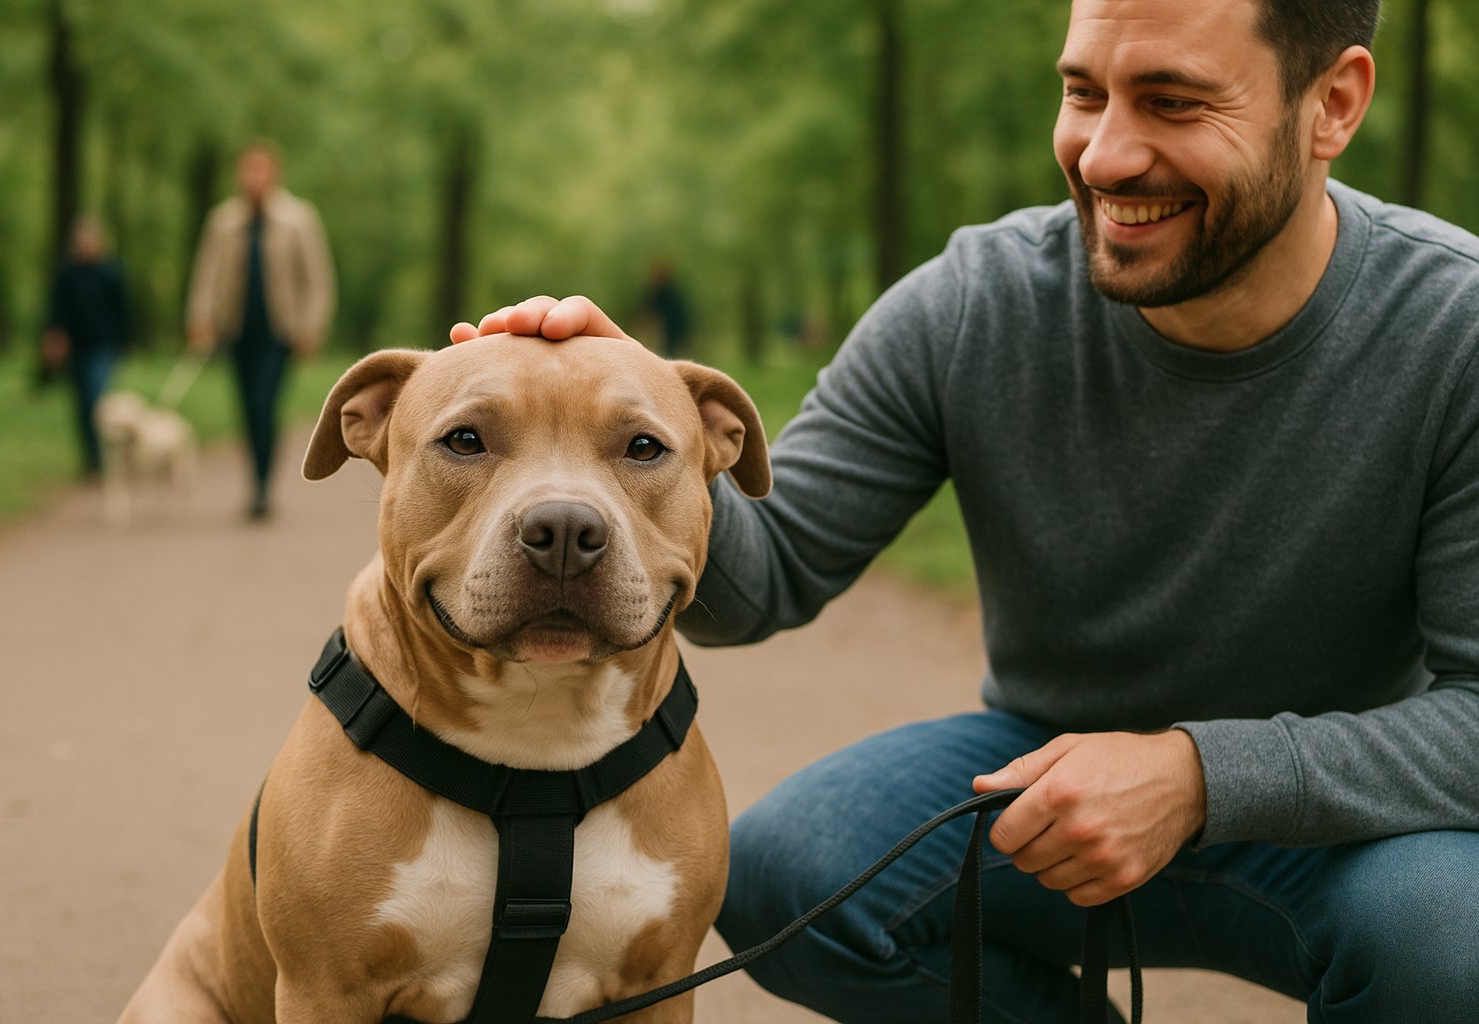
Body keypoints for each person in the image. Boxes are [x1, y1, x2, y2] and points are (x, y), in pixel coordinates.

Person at [454, 0, 1479, 1020]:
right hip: (1036, 782)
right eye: (1084, 92)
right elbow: (762, 576)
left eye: (1173, 102)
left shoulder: (1454, 329)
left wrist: (1199, 774)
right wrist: (638, 437)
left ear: (1332, 104)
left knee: (1447, 938)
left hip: (1340, 824)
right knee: (786, 875)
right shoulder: (971, 302)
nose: (1107, 155)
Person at [186, 140, 335, 520]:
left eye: (260, 170)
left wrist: (311, 326)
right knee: (246, 409)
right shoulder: (223, 221)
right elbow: (207, 273)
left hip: (278, 332)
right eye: (247, 171)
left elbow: (317, 278)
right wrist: (200, 316)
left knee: (264, 404)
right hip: (236, 331)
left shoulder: (298, 218)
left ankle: (262, 487)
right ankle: (256, 478)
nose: (253, 179)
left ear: (273, 174)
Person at [42, 213, 127, 478]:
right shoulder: (66, 275)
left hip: (103, 346)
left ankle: (106, 455)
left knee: (96, 400)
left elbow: (122, 312)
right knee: (80, 404)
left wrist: (122, 345)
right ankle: (92, 458)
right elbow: (57, 311)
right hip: (76, 348)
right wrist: (54, 338)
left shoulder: (110, 274)